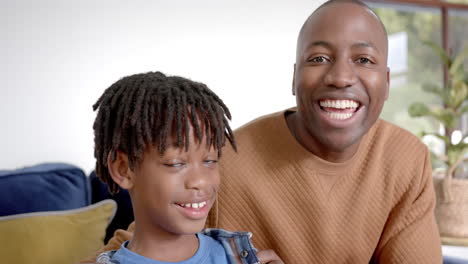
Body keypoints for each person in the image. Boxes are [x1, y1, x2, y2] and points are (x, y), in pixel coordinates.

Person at [83, 0, 442, 263]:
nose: (341, 77)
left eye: (363, 60)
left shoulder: (406, 158)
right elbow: (144, 244)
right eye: (318, 58)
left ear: (388, 81)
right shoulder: (221, 162)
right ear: (293, 76)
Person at [89, 71, 282, 264]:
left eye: (210, 160)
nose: (200, 180)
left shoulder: (239, 255)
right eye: (176, 163)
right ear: (123, 169)